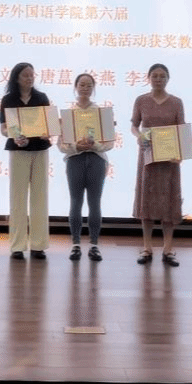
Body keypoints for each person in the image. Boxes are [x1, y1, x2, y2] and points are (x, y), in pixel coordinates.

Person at [131, 63, 184, 267]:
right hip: (148, 157)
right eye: (155, 76)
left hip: (169, 159)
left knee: (168, 201)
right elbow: (134, 126)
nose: (158, 79)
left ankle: (168, 249)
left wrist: (180, 154)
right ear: (149, 78)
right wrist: (139, 135)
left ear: (168, 79)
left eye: (162, 76)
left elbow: (181, 130)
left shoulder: (176, 102)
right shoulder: (141, 100)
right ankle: (147, 247)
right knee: (147, 201)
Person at [0, 63, 51, 260]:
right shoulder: (8, 99)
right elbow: (4, 128)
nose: (30, 78)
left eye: (32, 75)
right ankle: (17, 246)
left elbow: (49, 125)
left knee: (40, 197)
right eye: (25, 75)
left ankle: (38, 245)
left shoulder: (41, 97)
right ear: (16, 78)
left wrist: (48, 132)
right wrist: (13, 135)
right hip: (18, 150)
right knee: (17, 198)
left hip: (39, 150)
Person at [58, 73, 111, 261]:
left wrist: (95, 145)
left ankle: (94, 245)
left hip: (97, 160)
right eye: (82, 85)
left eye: (89, 85)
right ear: (76, 87)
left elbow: (109, 143)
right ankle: (76, 244)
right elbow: (61, 145)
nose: (85, 89)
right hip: (75, 160)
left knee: (95, 202)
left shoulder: (101, 113)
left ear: (93, 88)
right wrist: (76, 147)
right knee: (76, 201)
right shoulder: (68, 114)